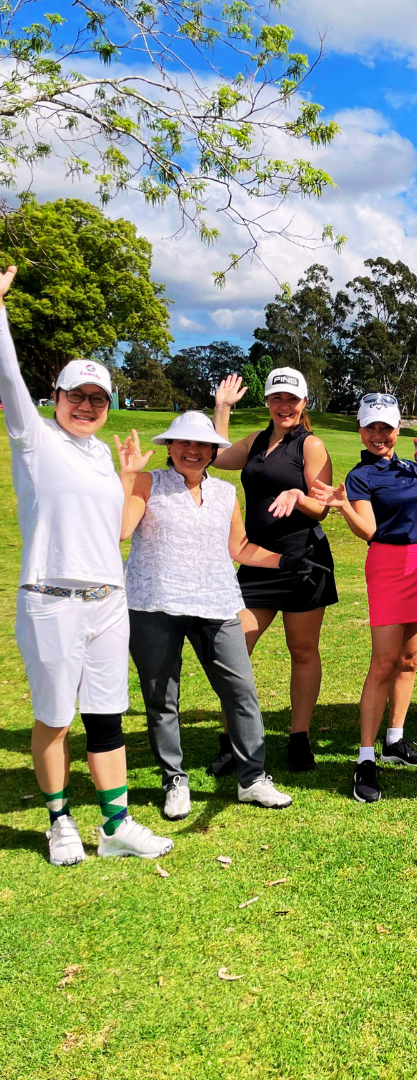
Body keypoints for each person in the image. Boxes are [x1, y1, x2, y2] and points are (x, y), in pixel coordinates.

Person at [0, 264, 173, 864]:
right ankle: (59, 820)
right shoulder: (33, 439)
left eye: (98, 399)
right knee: (53, 716)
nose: (87, 406)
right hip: (50, 597)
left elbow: (105, 529)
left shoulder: (102, 454)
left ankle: (116, 824)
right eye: (77, 396)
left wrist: (126, 476)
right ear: (57, 398)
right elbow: (9, 377)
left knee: (107, 713)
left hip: (106, 599)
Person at [120, 413, 316, 818]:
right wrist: (126, 475)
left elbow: (240, 547)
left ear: (213, 451)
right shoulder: (148, 482)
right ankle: (175, 779)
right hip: (154, 602)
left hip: (217, 603)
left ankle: (252, 779)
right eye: (183, 444)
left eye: (202, 445)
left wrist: (285, 561)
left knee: (240, 691)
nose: (193, 451)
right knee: (162, 699)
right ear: (170, 448)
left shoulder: (226, 493)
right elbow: (122, 530)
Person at [312, 394, 417, 804]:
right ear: (361, 431)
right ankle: (365, 758)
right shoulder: (358, 477)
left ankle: (396, 740)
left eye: (385, 427)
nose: (378, 435)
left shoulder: (411, 467)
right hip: (388, 566)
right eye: (371, 427)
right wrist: (340, 506)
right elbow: (367, 530)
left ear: (398, 429)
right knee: (384, 663)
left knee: (411, 659)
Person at [212, 368, 337, 773]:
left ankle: (299, 738)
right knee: (234, 649)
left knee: (302, 652)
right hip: (256, 562)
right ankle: (235, 740)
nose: (285, 406)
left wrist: (297, 494)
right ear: (267, 402)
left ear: (304, 404)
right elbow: (215, 455)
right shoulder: (255, 442)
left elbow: (322, 506)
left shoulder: (311, 445)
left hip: (303, 562)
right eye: (277, 399)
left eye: (292, 399)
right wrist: (222, 408)